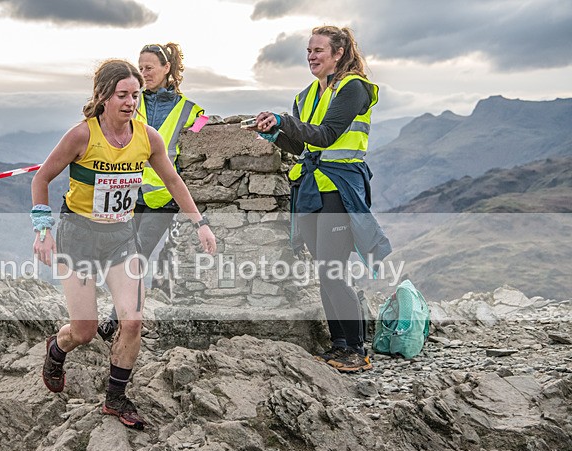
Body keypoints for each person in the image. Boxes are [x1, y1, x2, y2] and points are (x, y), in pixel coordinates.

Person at [31, 59, 216, 430]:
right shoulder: (81, 136)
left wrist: (201, 223)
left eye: (135, 95)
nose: (131, 102)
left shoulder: (148, 138)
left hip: (120, 236)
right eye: (122, 95)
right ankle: (57, 347)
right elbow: (41, 179)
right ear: (103, 97)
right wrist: (43, 230)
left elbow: (175, 182)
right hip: (79, 235)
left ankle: (115, 399)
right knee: (84, 331)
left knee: (132, 321)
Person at [250, 25, 391, 373]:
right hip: (311, 188)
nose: (311, 56)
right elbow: (300, 146)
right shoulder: (305, 95)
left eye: (318, 50)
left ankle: (356, 350)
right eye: (308, 52)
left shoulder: (353, 88)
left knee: (333, 270)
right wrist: (275, 132)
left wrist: (284, 120)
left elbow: (327, 135)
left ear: (339, 53)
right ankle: (339, 345)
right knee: (323, 270)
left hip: (339, 188)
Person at [97, 43, 204, 342]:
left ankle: (115, 320)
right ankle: (120, 316)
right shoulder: (132, 101)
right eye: (140, 68)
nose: (143, 73)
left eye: (149, 68)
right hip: (127, 195)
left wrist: (208, 127)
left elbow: (205, 135)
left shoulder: (191, 110)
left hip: (161, 199)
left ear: (167, 68)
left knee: (137, 254)